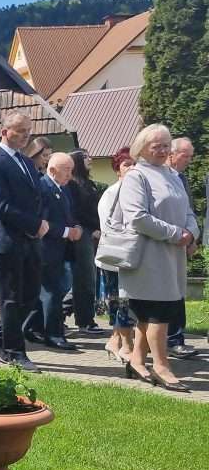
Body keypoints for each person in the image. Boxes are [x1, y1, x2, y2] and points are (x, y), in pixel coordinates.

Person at [117, 124, 198, 392]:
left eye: (166, 145)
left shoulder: (172, 175)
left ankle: (137, 361)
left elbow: (188, 211)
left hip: (173, 256)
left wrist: (191, 233)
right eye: (157, 146)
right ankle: (162, 367)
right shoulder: (136, 176)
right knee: (157, 313)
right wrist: (176, 234)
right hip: (148, 257)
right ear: (142, 148)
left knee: (152, 314)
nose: (163, 150)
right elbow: (137, 217)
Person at [0, 111, 48, 372]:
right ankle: (13, 351)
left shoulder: (26, 162)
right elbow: (0, 206)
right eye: (20, 131)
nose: (25, 136)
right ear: (4, 132)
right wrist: (33, 224)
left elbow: (35, 198)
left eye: (28, 131)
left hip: (30, 239)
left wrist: (39, 223)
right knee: (10, 298)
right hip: (8, 240)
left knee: (31, 296)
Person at [22, 153, 83, 351]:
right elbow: (42, 221)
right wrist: (66, 231)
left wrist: (76, 227)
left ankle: (32, 328)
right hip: (45, 249)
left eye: (71, 170)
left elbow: (68, 215)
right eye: (67, 170)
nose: (70, 175)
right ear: (53, 169)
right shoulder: (42, 188)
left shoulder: (63, 189)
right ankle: (54, 334)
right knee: (52, 293)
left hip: (60, 249)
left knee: (49, 292)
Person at [97, 147, 137, 363]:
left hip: (135, 258)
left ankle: (114, 341)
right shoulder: (111, 193)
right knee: (121, 302)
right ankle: (126, 345)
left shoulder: (138, 191)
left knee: (128, 301)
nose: (131, 168)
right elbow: (108, 227)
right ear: (117, 169)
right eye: (126, 164)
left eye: (134, 164)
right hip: (116, 258)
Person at [165, 137, 198, 357]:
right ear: (172, 154)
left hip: (182, 243)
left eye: (190, 156)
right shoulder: (162, 179)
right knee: (169, 294)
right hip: (166, 244)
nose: (189, 160)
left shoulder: (181, 178)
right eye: (185, 156)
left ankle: (177, 338)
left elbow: (189, 211)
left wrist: (192, 238)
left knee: (178, 292)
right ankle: (171, 339)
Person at [66, 150, 102, 335]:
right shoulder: (73, 185)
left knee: (88, 278)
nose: (90, 159)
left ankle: (80, 317)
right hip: (83, 234)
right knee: (85, 278)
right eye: (85, 156)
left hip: (93, 233)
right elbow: (77, 212)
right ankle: (85, 321)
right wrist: (92, 227)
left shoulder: (89, 183)